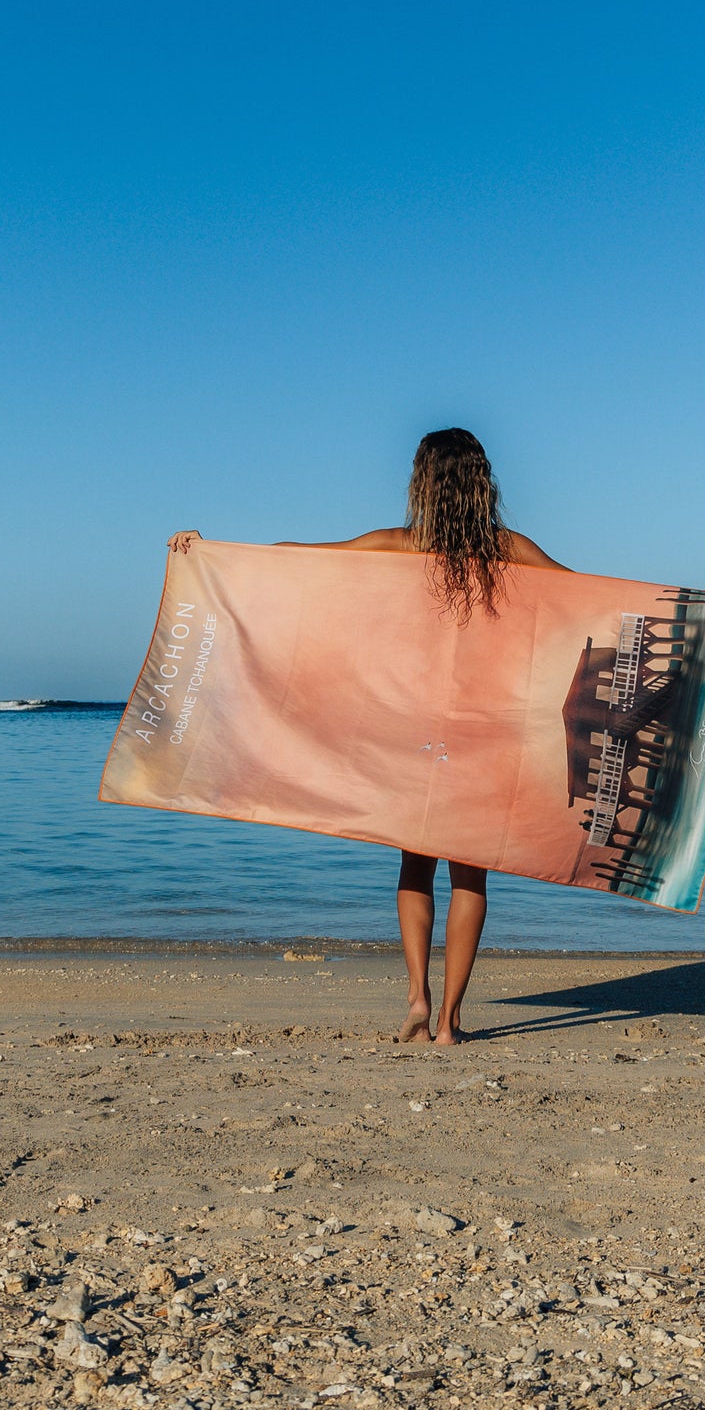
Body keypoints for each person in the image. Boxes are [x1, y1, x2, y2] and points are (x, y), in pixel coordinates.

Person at [168, 427, 568, 1045]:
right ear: (482, 484)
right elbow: (600, 602)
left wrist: (209, 551)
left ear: (423, 483)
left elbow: (299, 560)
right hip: (483, 736)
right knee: (471, 876)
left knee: (415, 864)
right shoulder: (509, 550)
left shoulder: (397, 546)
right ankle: (450, 1022)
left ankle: (416, 999)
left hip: (412, 733)